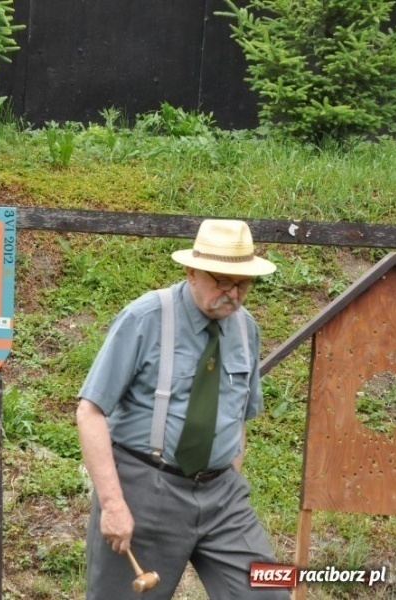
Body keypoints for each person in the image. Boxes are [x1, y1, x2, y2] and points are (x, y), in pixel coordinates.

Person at [76, 219, 289, 599]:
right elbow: (90, 411)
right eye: (222, 281)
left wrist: (230, 478)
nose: (233, 293)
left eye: (242, 284)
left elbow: (239, 415)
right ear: (192, 271)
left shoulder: (246, 329)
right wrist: (112, 504)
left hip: (222, 496)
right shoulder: (146, 318)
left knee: (268, 591)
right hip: (146, 489)